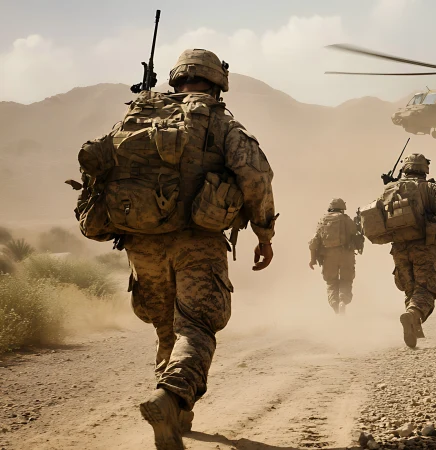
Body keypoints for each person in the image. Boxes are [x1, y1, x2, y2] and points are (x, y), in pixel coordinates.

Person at [73, 49, 277, 450]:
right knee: (197, 326)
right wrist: (264, 233)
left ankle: (176, 413)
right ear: (217, 82)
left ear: (176, 79)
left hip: (141, 242)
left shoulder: (135, 117)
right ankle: (170, 398)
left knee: (167, 326)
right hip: (197, 241)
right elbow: (255, 176)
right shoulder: (218, 122)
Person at [370, 153, 436, 348]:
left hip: (399, 248)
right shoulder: (430, 188)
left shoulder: (389, 190)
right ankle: (413, 315)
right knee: (426, 287)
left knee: (410, 288)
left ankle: (415, 326)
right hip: (423, 246)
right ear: (424, 169)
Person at [308, 198, 363, 314]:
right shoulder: (346, 219)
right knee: (346, 281)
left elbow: (314, 242)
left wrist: (312, 259)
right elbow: (356, 234)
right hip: (346, 255)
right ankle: (343, 301)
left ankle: (335, 307)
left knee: (331, 282)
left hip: (328, 256)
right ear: (342, 208)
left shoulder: (323, 220)